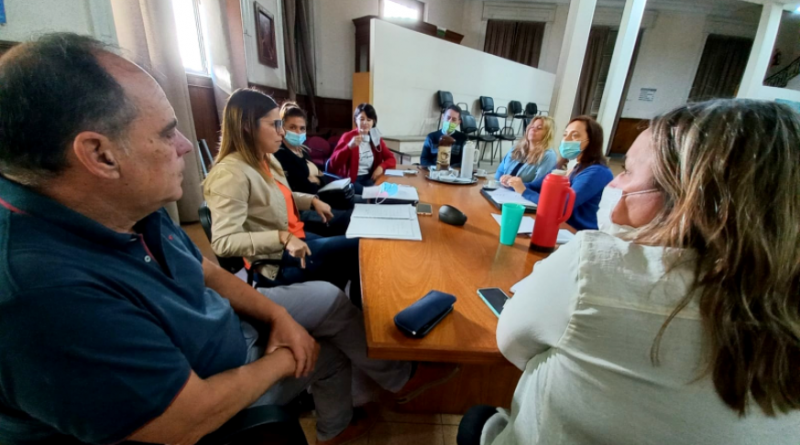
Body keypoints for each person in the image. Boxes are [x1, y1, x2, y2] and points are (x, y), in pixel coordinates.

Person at [0, 34, 458, 445]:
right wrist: (285, 357)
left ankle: (381, 389)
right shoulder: (43, 294)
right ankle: (343, 419)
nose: (184, 144)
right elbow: (184, 422)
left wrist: (277, 315)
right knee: (329, 350)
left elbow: (203, 269)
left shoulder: (124, 206)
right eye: (167, 133)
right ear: (100, 155)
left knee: (329, 304)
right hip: (210, 385)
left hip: (228, 329)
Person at [457, 99, 800, 445]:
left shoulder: (591, 265)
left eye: (628, 171)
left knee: (478, 420)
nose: (614, 182)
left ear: (687, 198)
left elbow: (513, 346)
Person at [203, 89, 361, 303]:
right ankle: (353, 311)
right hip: (276, 261)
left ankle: (342, 305)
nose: (282, 132)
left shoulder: (265, 158)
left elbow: (276, 195)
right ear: (247, 126)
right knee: (359, 248)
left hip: (298, 237)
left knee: (357, 244)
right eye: (275, 124)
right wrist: (282, 237)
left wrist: (311, 200)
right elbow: (223, 242)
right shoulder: (230, 174)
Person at [507, 116, 612, 230]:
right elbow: (535, 186)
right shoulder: (576, 166)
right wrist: (511, 183)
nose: (566, 140)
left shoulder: (597, 172)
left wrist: (524, 191)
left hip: (574, 231)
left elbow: (562, 206)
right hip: (558, 223)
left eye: (575, 135)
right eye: (565, 134)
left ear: (591, 141)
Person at [273, 101, 351, 237]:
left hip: (320, 198)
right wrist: (313, 178)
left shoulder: (303, 150)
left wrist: (316, 178)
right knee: (349, 218)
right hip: (301, 211)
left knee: (354, 205)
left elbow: (322, 178)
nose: (298, 132)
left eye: (302, 128)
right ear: (282, 128)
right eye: (292, 127)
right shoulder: (280, 154)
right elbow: (305, 189)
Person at [329, 103, 396, 193]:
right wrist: (349, 147)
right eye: (361, 119)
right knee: (372, 194)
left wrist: (381, 167)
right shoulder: (347, 137)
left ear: (373, 122)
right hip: (352, 180)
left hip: (370, 178)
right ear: (355, 120)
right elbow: (333, 164)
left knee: (388, 192)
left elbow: (391, 159)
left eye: (369, 120)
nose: (365, 123)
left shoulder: (376, 138)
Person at [495, 116, 557, 185]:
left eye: (539, 128)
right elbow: (499, 173)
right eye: (532, 126)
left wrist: (513, 182)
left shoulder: (549, 155)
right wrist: (502, 179)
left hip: (523, 191)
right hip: (503, 188)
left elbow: (537, 185)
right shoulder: (516, 148)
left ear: (547, 134)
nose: (533, 129)